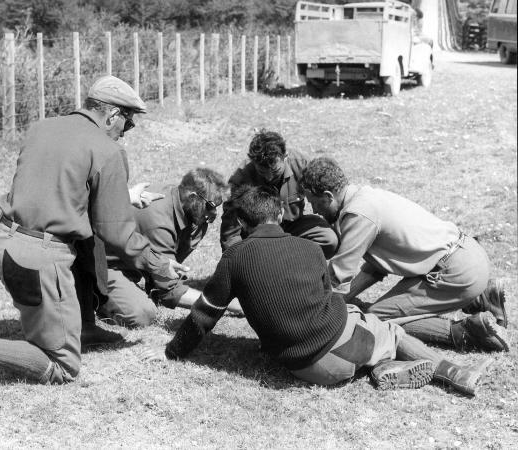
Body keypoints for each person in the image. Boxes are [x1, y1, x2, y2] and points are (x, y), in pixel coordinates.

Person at [0, 75, 186, 412]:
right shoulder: (108, 151)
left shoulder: (42, 128)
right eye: (128, 121)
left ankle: (80, 328)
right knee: (63, 365)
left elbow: (57, 194)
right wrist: (159, 264)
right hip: (38, 257)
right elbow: (117, 233)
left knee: (79, 251)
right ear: (111, 115)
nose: (128, 130)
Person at [142, 186, 491, 395]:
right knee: (389, 330)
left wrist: (172, 352)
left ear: (244, 224)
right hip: (346, 343)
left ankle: (381, 369)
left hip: (307, 369)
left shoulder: (234, 258)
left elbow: (203, 316)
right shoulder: (310, 249)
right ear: (279, 214)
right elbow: (330, 297)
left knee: (357, 330)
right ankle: (450, 371)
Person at [298, 156, 509, 353]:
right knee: (379, 311)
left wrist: (314, 315)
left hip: (456, 272)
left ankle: (467, 332)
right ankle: (481, 297)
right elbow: (375, 269)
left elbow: (338, 277)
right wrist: (347, 298)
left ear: (328, 196)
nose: (315, 211)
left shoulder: (358, 214)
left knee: (374, 319)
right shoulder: (368, 197)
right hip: (469, 258)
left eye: (315, 203)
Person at [97, 167, 243, 328]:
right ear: (193, 196)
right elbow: (171, 291)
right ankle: (95, 298)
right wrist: (228, 304)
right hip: (104, 266)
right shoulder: (158, 221)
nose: (214, 213)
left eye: (218, 206)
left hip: (132, 260)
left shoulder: (184, 203)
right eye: (210, 206)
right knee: (142, 314)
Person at [220, 129, 338, 258]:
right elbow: (230, 232)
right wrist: (237, 261)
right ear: (254, 163)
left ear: (285, 156)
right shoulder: (241, 179)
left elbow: (326, 198)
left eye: (275, 171)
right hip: (256, 236)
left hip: (292, 228)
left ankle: (290, 269)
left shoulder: (301, 165)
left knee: (328, 239)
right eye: (262, 172)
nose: (269, 178)